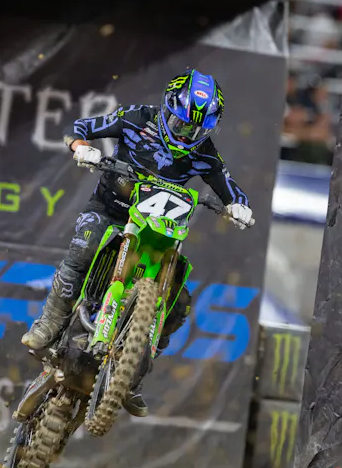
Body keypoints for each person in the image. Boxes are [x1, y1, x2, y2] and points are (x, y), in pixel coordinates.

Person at [21, 68, 254, 417]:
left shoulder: (205, 153)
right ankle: (50, 322)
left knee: (179, 301)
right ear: (166, 108)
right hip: (110, 210)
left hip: (160, 227)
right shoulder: (136, 118)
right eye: (181, 124)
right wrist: (82, 148)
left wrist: (239, 207)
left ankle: (133, 372)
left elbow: (230, 187)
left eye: (196, 130)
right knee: (83, 250)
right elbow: (79, 128)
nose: (187, 134)